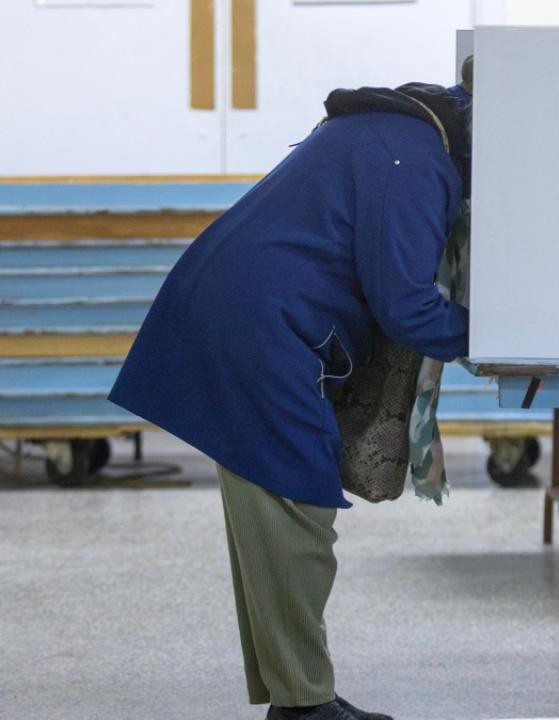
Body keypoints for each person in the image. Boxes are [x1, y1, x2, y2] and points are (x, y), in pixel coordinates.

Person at [109, 81, 472, 720]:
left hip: (246, 313)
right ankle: (304, 705)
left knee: (274, 516)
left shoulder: (390, 133)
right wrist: (500, 334)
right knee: (295, 508)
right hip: (259, 327)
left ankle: (299, 697)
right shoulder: (414, 159)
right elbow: (407, 306)